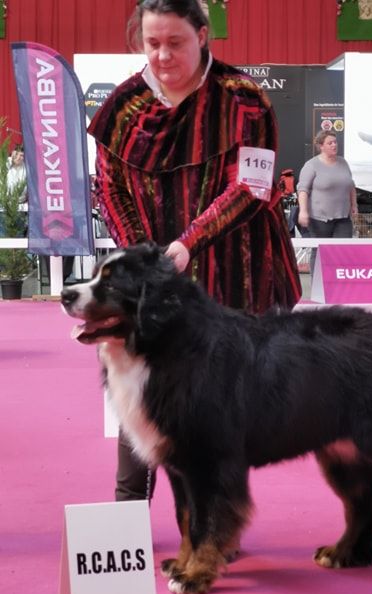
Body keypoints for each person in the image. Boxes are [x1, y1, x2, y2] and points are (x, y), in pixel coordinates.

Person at [87, 0, 301, 504]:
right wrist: (147, 260)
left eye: (175, 42)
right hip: (154, 274)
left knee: (219, 399)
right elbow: (110, 188)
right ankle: (126, 512)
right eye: (152, 42)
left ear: (203, 35)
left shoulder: (244, 98)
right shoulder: (122, 108)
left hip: (235, 265)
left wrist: (186, 244)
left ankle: (211, 519)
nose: (162, 55)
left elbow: (251, 186)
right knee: (139, 376)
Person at [297, 130, 358, 275]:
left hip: (343, 217)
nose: (334, 145)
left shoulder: (343, 163)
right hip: (319, 219)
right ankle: (317, 289)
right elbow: (302, 190)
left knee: (342, 253)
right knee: (319, 252)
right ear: (321, 146)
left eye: (335, 142)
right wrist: (303, 211)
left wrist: (354, 205)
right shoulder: (311, 165)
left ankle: (338, 287)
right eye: (330, 143)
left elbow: (351, 185)